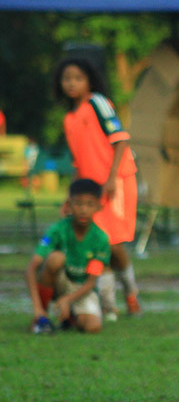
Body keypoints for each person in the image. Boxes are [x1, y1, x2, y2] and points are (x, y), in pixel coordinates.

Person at [54, 57, 141, 320]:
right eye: (67, 78)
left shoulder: (97, 103)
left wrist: (113, 177)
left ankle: (130, 291)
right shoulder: (70, 118)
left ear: (89, 80)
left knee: (113, 244)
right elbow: (78, 163)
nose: (72, 83)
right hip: (89, 191)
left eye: (78, 78)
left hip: (116, 182)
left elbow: (121, 140)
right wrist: (71, 196)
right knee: (96, 243)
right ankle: (108, 306)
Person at [25, 178, 111, 335]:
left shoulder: (101, 238)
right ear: (69, 205)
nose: (83, 209)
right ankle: (42, 316)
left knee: (93, 327)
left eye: (89, 204)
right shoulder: (58, 230)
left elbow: (91, 282)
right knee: (55, 259)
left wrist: (68, 300)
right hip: (59, 282)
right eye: (78, 204)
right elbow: (32, 268)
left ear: (99, 206)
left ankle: (69, 316)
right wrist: (37, 308)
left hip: (81, 288)